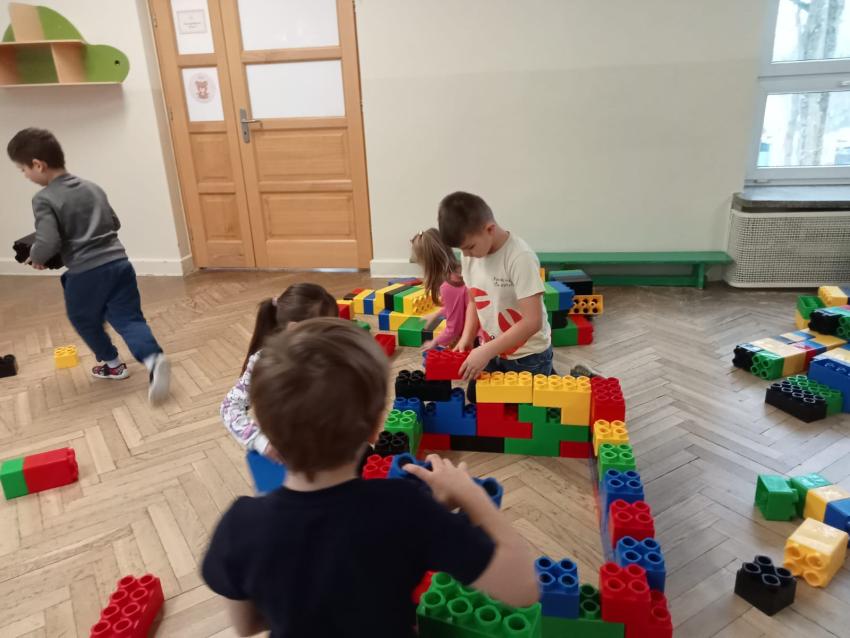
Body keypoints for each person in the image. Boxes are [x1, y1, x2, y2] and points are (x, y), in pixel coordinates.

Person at [202, 318, 538, 638]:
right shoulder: (406, 509)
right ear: (377, 425)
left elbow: (247, 625)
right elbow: (523, 587)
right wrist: (472, 498)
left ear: (264, 427)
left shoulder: (239, 526)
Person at [7, 128, 170, 404]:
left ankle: (112, 364)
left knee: (84, 319)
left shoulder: (44, 198)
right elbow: (114, 223)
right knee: (129, 318)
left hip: (86, 273)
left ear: (38, 164)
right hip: (119, 263)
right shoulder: (93, 187)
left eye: (23, 170)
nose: (25, 175)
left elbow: (48, 241)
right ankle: (154, 358)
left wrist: (37, 256)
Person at [437, 191, 554, 382]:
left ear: (489, 229)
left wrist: (486, 351)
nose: (465, 255)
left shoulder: (519, 257)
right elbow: (474, 302)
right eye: (461, 249)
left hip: (527, 356)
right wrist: (467, 337)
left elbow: (533, 321)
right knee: (477, 398)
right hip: (491, 349)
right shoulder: (470, 256)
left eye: (470, 247)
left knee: (525, 402)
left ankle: (563, 375)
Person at [221, 283, 337, 460]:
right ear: (295, 329)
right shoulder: (264, 362)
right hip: (289, 456)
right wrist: (260, 441)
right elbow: (229, 407)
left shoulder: (327, 354)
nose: (334, 335)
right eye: (325, 329)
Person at [410, 228, 467, 348]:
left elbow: (453, 329)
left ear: (428, 264)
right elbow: (458, 306)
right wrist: (436, 314)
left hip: (479, 337)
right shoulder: (458, 271)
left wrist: (435, 342)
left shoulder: (448, 286)